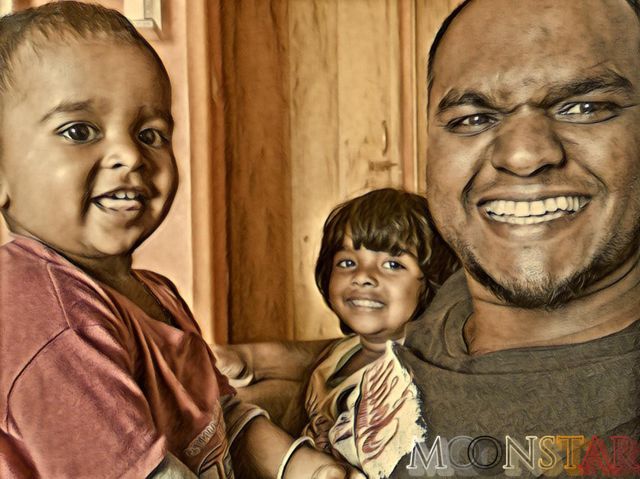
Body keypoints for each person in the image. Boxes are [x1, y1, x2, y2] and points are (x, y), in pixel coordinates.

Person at [218, 0, 640, 477]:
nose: (522, 155)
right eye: (472, 118)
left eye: (585, 108)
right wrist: (273, 363)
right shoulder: (457, 289)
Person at [0, 3, 364, 478]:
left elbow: (219, 421)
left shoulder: (158, 293)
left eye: (150, 134)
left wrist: (305, 467)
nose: (129, 154)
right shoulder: (41, 314)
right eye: (80, 131)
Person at [301, 189, 457, 473]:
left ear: (432, 283)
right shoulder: (341, 353)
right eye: (347, 262)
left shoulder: (411, 378)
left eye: (393, 265)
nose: (362, 277)